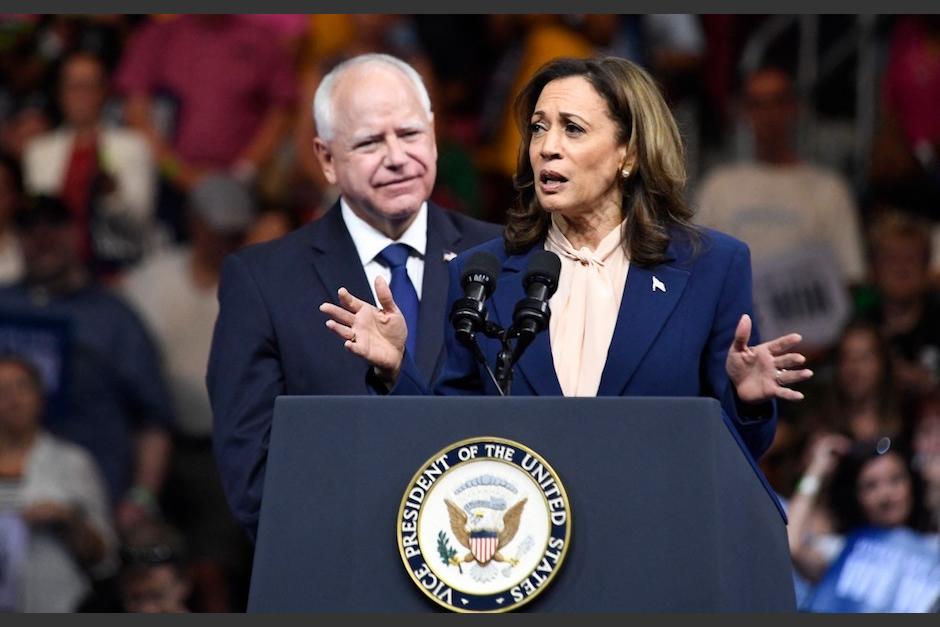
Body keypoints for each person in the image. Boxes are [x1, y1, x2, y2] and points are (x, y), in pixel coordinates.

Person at [321, 56, 814, 463]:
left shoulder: (710, 267)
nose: (547, 149)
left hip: (654, 542)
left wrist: (747, 400)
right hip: (527, 554)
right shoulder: (482, 273)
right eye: (538, 129)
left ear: (629, 154)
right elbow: (451, 445)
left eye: (572, 129)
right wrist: (394, 370)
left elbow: (736, 451)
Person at [207, 53, 500, 542]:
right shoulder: (262, 282)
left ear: (433, 131)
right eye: (369, 142)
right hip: (342, 570)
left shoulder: (503, 258)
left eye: (409, 134)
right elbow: (253, 478)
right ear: (325, 158)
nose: (396, 156)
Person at [0, 196, 175, 531]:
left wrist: (142, 498)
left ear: (76, 233)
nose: (42, 238)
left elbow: (154, 418)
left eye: (54, 227)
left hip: (96, 503)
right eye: (30, 229)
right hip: (8, 502)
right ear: (16, 238)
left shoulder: (113, 317)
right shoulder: (4, 305)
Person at [0, 353, 117, 612]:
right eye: (2, 390)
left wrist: (68, 520)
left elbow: (104, 558)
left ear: (40, 398)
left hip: (58, 604)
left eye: (22, 387)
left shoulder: (72, 462)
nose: (13, 399)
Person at [22, 50, 155, 275]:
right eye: (74, 86)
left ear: (104, 92)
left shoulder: (132, 147)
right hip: (54, 272)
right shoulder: (38, 151)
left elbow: (139, 231)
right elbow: (33, 226)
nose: (81, 95)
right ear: (60, 93)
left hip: (115, 271)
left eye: (89, 86)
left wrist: (112, 196)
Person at [788, 436, 939, 612]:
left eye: (896, 480)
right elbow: (793, 544)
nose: (886, 495)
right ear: (857, 498)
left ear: (912, 484)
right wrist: (816, 470)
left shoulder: (934, 551)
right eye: (871, 486)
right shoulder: (842, 550)